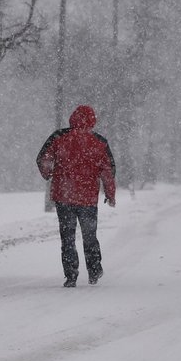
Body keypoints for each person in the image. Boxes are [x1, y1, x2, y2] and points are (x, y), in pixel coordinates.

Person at [36, 105, 116, 288]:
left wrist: (47, 172)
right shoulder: (99, 142)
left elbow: (43, 158)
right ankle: (94, 270)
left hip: (64, 195)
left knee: (67, 237)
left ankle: (71, 274)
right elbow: (107, 170)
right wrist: (110, 194)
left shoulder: (58, 137)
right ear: (92, 120)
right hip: (87, 198)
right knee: (89, 235)